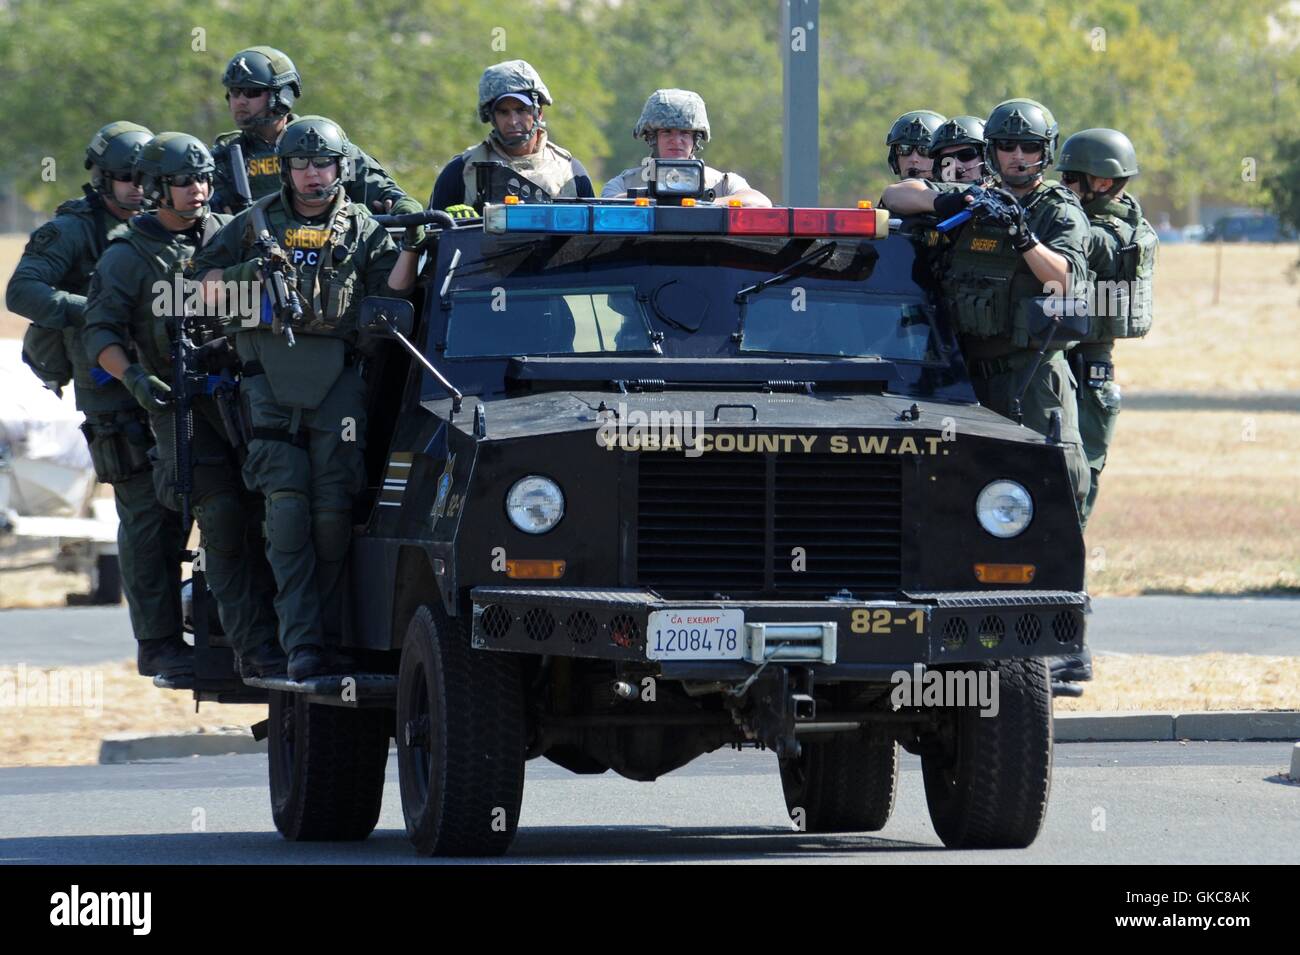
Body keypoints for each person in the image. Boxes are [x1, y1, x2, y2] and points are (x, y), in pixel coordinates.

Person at [191, 116, 420, 680]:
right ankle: (302, 646)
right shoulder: (253, 222)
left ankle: (331, 637)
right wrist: (253, 270)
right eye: (301, 165)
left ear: (341, 167)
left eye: (323, 164)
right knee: (286, 513)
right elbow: (192, 292)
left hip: (338, 381)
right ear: (286, 168)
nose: (313, 175)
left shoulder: (363, 226)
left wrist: (413, 247)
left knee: (331, 515)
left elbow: (390, 294)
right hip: (267, 381)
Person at [84, 133, 286, 679]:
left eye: (202, 179)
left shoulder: (232, 233)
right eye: (181, 182)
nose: (196, 190)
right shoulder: (128, 254)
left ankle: (291, 636)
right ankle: (253, 649)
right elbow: (99, 333)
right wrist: (137, 381)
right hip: (182, 408)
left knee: (277, 515)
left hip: (245, 400)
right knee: (218, 518)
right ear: (154, 188)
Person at [6, 121, 192, 679]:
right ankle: (157, 639)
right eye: (123, 179)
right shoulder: (73, 229)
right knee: (142, 511)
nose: (135, 189)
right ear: (101, 180)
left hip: (171, 382)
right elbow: (22, 291)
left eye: (143, 178)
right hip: (108, 387)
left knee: (196, 501)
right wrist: (98, 308)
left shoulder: (168, 226)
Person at [882, 98, 1091, 509]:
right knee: (957, 485)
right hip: (964, 376)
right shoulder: (977, 196)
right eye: (1007, 146)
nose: (1017, 156)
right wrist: (950, 201)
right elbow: (894, 196)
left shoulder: (1058, 209)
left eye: (1028, 147)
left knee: (1054, 483)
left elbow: (1068, 280)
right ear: (992, 150)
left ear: (1044, 152)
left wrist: (1024, 238)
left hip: (1028, 374)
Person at [1056, 128, 1157, 528]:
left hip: (1084, 362)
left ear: (1100, 182)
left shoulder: (1106, 236)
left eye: (1069, 178)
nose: (1062, 186)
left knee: (1077, 474)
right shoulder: (1124, 220)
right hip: (1084, 362)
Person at [210, 46, 422, 218]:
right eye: (234, 92)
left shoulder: (324, 144)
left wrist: (403, 209)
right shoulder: (222, 160)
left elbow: (388, 194)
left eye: (251, 92)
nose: (240, 101)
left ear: (282, 94)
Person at [430, 59, 593, 216]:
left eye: (521, 110)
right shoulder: (461, 171)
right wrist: (459, 226)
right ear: (491, 117)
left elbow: (592, 240)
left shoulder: (570, 172)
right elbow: (431, 238)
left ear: (539, 113)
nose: (513, 121)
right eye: (503, 112)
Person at [600, 88, 771, 206]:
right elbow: (607, 203)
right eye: (667, 132)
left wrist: (706, 201)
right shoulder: (625, 183)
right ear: (652, 138)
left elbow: (761, 202)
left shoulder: (722, 183)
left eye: (685, 133)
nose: (676, 140)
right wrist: (653, 196)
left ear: (696, 139)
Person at [885, 110, 946, 181]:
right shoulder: (892, 191)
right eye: (905, 149)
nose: (913, 159)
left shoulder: (959, 191)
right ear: (894, 159)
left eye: (925, 150)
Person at [929, 115, 988, 184]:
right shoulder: (929, 194)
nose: (956, 165)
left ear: (986, 158)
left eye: (966, 155)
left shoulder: (1002, 193)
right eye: (947, 160)